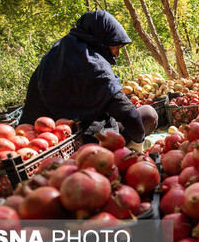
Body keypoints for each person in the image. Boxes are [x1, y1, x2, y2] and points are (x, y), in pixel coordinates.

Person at [19, 10, 157, 146]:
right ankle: (130, 149)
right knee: (148, 114)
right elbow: (130, 115)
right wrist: (139, 145)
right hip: (87, 142)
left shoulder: (53, 56)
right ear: (102, 40)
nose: (117, 54)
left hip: (43, 138)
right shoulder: (94, 67)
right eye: (116, 46)